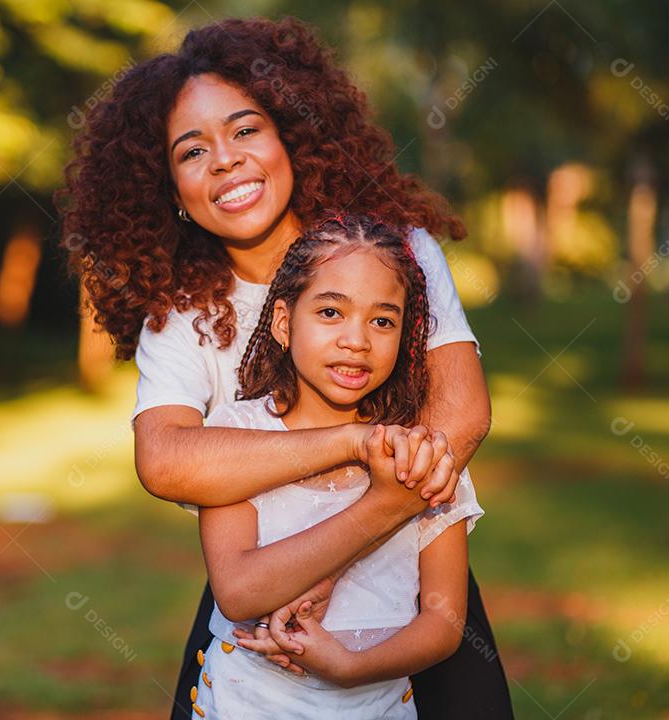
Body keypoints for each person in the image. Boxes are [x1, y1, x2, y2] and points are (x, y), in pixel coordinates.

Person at [56, 16, 513, 719]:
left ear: (290, 137)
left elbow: (461, 414)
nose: (226, 160)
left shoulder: (397, 253)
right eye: (191, 151)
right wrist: (352, 449)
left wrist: (362, 528)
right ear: (172, 188)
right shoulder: (179, 311)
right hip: (264, 595)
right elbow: (168, 459)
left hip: (409, 583)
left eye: (246, 130)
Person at [194, 212, 483, 719]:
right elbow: (238, 592)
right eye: (331, 312)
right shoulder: (238, 435)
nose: (357, 340)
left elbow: (444, 620)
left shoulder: (422, 452)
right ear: (284, 323)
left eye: (382, 320)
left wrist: (351, 666)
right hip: (249, 704)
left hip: (379, 705)